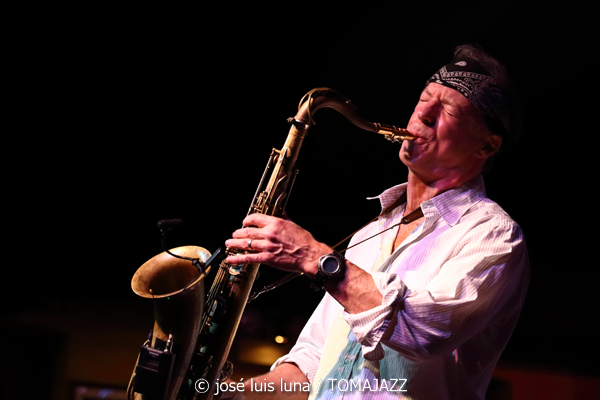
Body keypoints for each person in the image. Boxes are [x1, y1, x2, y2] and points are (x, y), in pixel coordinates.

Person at [224, 44, 529, 400]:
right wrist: (230, 395)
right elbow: (312, 366)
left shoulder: (493, 235)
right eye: (424, 99)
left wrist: (314, 257)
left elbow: (424, 332)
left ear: (487, 146)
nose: (423, 115)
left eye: (447, 110)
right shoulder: (370, 233)